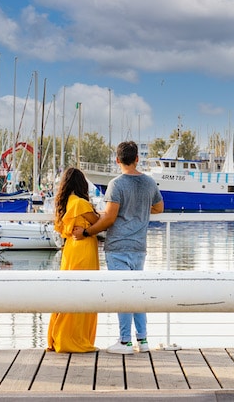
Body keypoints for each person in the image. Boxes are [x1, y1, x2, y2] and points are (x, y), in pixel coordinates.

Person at [73, 141, 163, 354]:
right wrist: (139, 206)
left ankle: (124, 342)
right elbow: (159, 207)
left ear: (117, 160)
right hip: (139, 246)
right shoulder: (149, 183)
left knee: (123, 293)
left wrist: (86, 232)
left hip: (118, 246)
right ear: (137, 158)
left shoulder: (116, 184)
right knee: (137, 294)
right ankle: (143, 340)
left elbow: (109, 218)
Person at [46, 167, 101, 353]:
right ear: (81, 184)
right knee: (84, 293)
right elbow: (98, 222)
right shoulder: (80, 204)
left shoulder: (65, 203)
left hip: (70, 250)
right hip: (84, 250)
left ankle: (57, 337)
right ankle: (74, 338)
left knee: (67, 292)